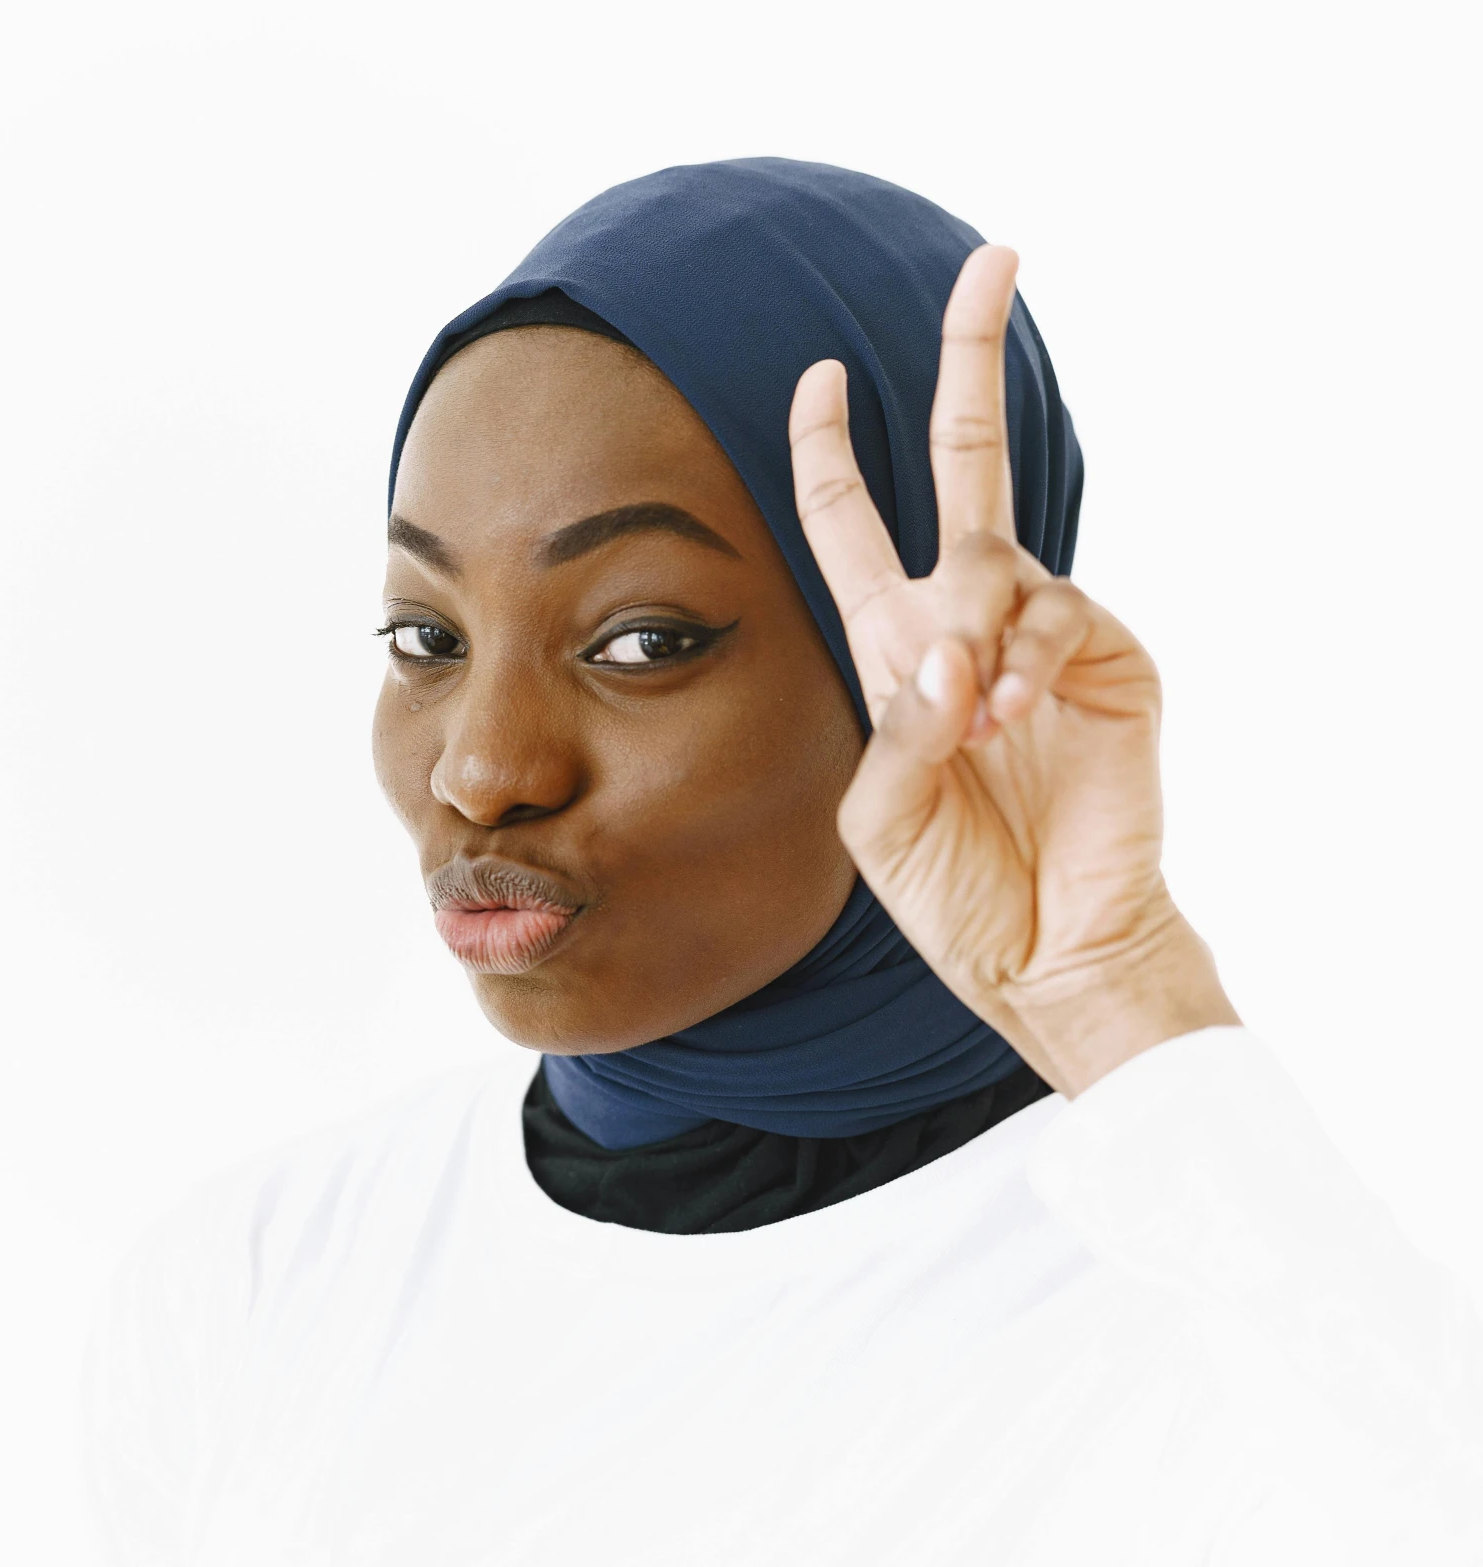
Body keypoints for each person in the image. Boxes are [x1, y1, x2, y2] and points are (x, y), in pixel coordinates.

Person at [79, 160, 1481, 1564]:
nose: (479, 767)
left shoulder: (1231, 1318)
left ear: (910, 668)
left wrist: (1122, 1001)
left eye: (639, 640)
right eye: (424, 639)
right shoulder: (258, 1283)